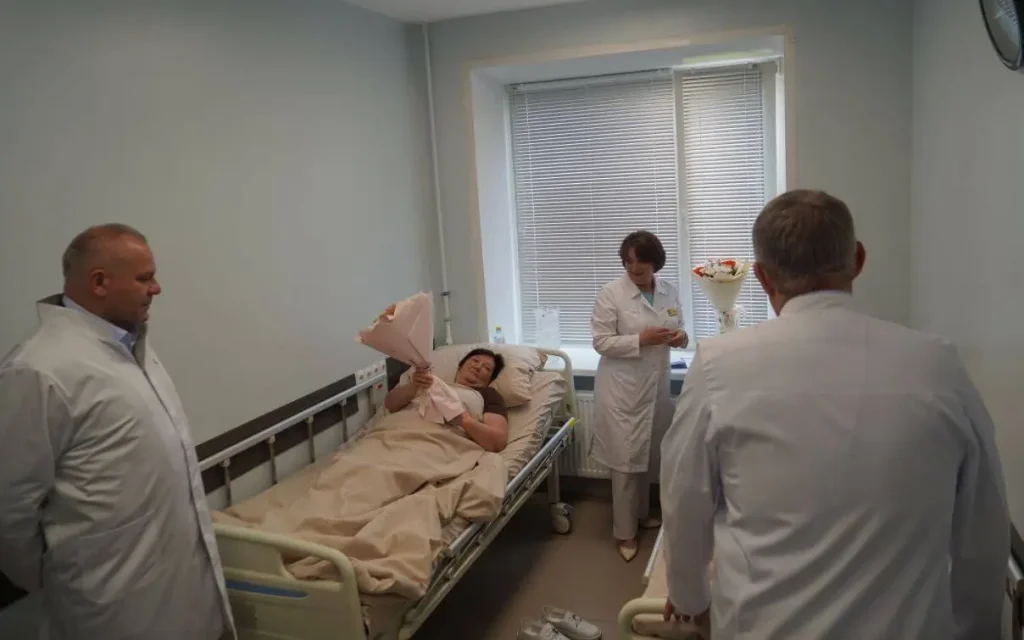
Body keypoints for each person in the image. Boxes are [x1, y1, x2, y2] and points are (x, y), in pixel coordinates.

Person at [660, 190, 1010, 639]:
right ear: (858, 259)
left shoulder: (717, 367)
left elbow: (684, 502)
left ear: (762, 277)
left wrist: (689, 599)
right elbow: (983, 527)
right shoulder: (939, 366)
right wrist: (978, 627)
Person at [0, 224, 234, 640]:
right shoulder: (38, 371)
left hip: (179, 585)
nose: (157, 288)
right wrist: (68, 577)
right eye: (145, 278)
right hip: (109, 604)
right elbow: (9, 509)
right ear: (99, 282)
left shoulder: (131, 347)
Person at [591, 231, 688, 562]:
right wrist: (640, 340)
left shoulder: (668, 290)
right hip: (622, 390)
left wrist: (681, 337)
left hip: (656, 386)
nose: (633, 267)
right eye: (628, 261)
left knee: (648, 455)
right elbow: (601, 342)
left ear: (654, 262)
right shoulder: (612, 293)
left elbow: (679, 325)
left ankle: (642, 516)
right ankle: (625, 533)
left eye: (640, 261)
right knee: (625, 464)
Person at [385, 347, 510, 453]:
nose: (477, 367)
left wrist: (463, 420)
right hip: (393, 434)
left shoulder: (488, 394)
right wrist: (414, 386)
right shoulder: (430, 382)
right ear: (460, 366)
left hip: (432, 444)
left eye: (486, 368)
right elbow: (389, 405)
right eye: (475, 360)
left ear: (490, 379)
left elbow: (498, 442)